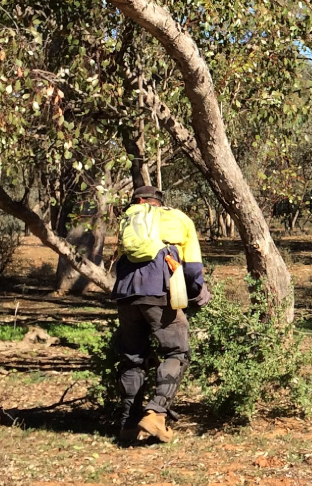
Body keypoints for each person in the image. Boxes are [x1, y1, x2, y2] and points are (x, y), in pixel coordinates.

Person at [111, 185, 211, 442]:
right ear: (159, 201)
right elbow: (192, 268)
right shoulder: (177, 218)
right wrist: (197, 292)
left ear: (140, 201)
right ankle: (156, 413)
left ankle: (128, 425)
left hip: (125, 294)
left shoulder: (128, 220)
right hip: (160, 291)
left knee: (132, 357)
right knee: (177, 351)